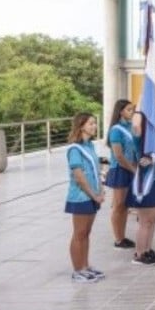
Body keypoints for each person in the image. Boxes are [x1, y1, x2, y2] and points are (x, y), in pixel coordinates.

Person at [65, 112, 106, 284]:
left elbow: (96, 171)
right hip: (81, 197)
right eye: (90, 123)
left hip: (92, 195)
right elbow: (79, 177)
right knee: (79, 233)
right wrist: (93, 195)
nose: (94, 126)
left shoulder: (89, 146)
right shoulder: (75, 149)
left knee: (86, 233)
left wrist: (101, 190)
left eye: (95, 123)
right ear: (81, 126)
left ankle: (85, 265)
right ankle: (77, 270)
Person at [129, 111, 155, 266]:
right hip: (145, 182)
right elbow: (135, 124)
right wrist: (141, 109)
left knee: (153, 219)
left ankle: (147, 250)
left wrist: (154, 157)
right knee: (145, 221)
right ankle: (139, 254)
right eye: (154, 117)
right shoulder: (140, 137)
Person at [105, 99, 137, 249]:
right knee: (118, 205)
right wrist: (132, 169)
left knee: (125, 206)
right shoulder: (116, 130)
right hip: (120, 169)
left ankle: (122, 236)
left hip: (130, 168)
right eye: (129, 110)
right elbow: (118, 155)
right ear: (121, 111)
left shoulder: (131, 126)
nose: (132, 112)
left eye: (132, 109)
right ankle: (118, 239)